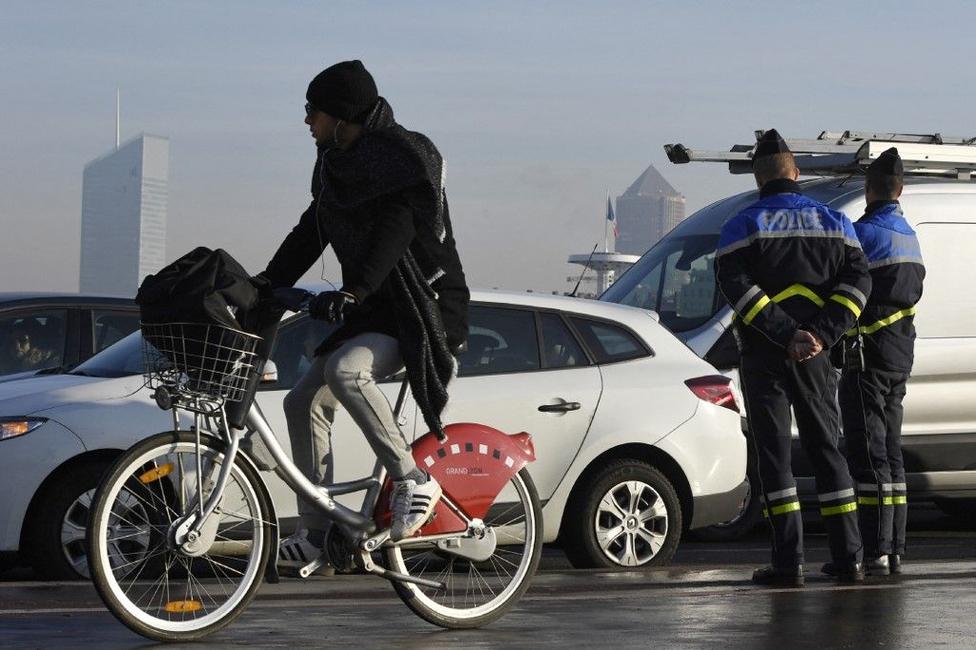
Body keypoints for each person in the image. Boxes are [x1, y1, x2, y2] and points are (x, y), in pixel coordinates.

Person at [254, 60, 469, 566]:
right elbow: (311, 230)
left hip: (423, 307)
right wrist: (264, 282)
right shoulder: (335, 166)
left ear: (342, 115)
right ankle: (319, 532)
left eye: (313, 111)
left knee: (346, 371)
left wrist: (353, 290)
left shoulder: (401, 156)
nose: (307, 121)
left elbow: (396, 230)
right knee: (301, 402)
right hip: (375, 308)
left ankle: (413, 479)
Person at [716, 129, 872, 586]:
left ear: (758, 178)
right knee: (827, 450)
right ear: (797, 173)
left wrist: (786, 334)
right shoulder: (836, 223)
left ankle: (789, 563)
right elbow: (860, 283)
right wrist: (820, 334)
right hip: (817, 357)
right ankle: (850, 558)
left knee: (775, 457)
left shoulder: (741, 226)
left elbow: (736, 287)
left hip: (765, 356)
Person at [839, 148, 924, 576]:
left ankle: (874, 548)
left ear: (869, 190)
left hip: (867, 359)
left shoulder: (862, 235)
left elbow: (842, 288)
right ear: (900, 191)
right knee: (891, 454)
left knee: (869, 455)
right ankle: (894, 548)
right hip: (899, 357)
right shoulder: (910, 235)